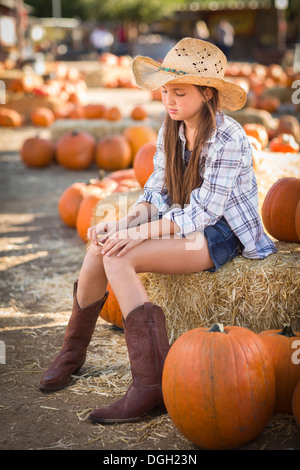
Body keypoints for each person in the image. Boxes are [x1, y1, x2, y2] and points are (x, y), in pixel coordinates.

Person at [38, 37, 277, 423]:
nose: (168, 100)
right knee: (101, 247)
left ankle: (149, 385)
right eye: (165, 91)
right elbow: (155, 190)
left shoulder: (231, 138)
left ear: (206, 92)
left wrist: (138, 236)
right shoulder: (171, 128)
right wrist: (126, 222)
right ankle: (72, 352)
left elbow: (205, 212)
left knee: (121, 256)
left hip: (220, 233)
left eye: (178, 93)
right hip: (183, 221)